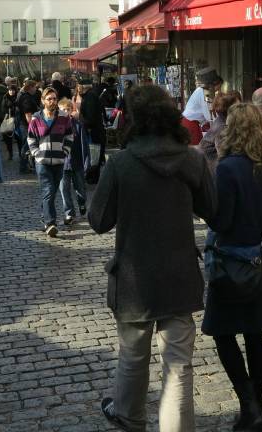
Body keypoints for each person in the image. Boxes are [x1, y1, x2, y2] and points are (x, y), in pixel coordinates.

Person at [89, 85, 216, 432]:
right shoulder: (192, 159)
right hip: (178, 275)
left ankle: (129, 416)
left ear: (134, 118)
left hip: (134, 280)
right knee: (178, 365)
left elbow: (98, 220)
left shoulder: (121, 163)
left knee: (133, 355)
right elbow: (213, 209)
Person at [203, 103, 262, 431]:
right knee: (255, 334)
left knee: (222, 331)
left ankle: (250, 405)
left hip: (234, 260)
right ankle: (258, 409)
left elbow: (221, 220)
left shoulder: (229, 168)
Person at [27, 87, 75, 237]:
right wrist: (36, 154)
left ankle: (44, 216)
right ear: (43, 101)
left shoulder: (64, 117)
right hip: (42, 162)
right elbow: (31, 138)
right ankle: (50, 223)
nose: (52, 101)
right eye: (49, 99)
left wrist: (65, 151)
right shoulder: (36, 118)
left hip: (59, 161)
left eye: (54, 98)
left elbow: (69, 136)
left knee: (52, 192)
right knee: (48, 190)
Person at [58, 97, 87, 222]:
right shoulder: (56, 126)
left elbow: (83, 144)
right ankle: (69, 213)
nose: (65, 112)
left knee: (80, 188)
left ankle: (82, 203)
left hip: (77, 161)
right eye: (63, 110)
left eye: (67, 109)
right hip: (62, 163)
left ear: (71, 110)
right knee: (64, 190)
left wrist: (86, 161)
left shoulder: (78, 125)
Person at [198, 91, 241, 173]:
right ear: (229, 110)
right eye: (237, 107)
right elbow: (223, 155)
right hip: (211, 167)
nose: (241, 109)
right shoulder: (222, 127)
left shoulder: (224, 121)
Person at [181, 67, 222, 146]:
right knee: (197, 148)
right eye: (218, 87)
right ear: (214, 84)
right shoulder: (205, 92)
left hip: (191, 122)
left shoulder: (203, 91)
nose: (218, 90)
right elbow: (209, 116)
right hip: (190, 124)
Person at [80, 81, 108, 185]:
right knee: (94, 154)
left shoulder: (90, 97)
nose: (78, 89)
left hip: (93, 132)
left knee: (94, 154)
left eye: (79, 86)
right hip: (95, 131)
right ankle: (92, 176)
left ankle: (92, 177)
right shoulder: (90, 96)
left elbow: (90, 118)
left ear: (84, 87)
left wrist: (82, 121)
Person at [15, 79, 41, 174]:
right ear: (30, 87)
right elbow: (28, 114)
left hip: (24, 124)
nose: (36, 89)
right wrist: (31, 127)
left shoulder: (25, 96)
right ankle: (23, 166)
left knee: (27, 146)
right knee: (27, 146)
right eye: (35, 87)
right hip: (26, 125)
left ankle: (26, 165)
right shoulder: (26, 98)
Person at [1, 82, 20, 161]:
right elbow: (3, 108)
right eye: (10, 90)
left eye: (13, 90)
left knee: (18, 137)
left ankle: (20, 153)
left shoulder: (18, 97)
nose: (11, 92)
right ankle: (10, 153)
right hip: (8, 119)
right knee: (8, 137)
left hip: (17, 119)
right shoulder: (5, 97)